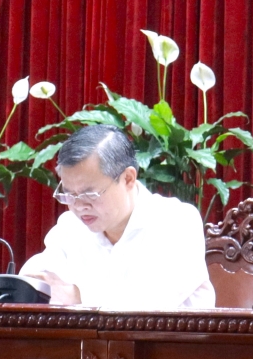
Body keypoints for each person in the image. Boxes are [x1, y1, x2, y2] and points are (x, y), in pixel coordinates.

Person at [19, 125, 213, 311]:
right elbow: (39, 279)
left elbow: (150, 306)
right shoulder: (70, 227)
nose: (79, 206)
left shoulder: (177, 222)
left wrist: (79, 299)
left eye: (90, 194)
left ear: (128, 179)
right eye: (70, 194)